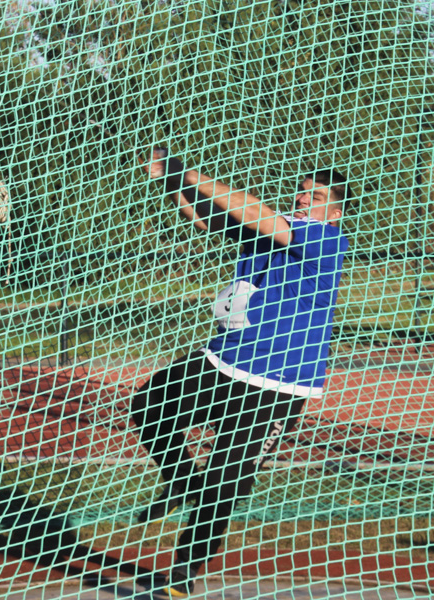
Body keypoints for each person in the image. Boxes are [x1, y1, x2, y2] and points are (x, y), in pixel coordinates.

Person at [132, 148, 349, 597]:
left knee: (225, 480)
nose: (306, 198)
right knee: (148, 404)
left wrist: (187, 171)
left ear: (336, 211)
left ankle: (181, 578)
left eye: (318, 195)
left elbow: (257, 210)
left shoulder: (326, 240)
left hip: (277, 382)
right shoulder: (271, 235)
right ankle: (184, 482)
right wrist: (172, 183)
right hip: (226, 359)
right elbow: (209, 220)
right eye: (303, 191)